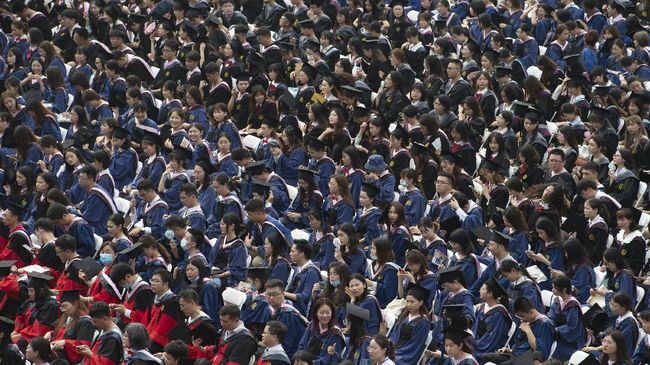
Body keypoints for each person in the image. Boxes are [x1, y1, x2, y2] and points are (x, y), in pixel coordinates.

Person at [188, 304, 257, 364]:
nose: (221, 324)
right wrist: (202, 348)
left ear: (236, 320)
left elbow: (235, 363)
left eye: (225, 321)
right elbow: (217, 349)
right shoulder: (224, 331)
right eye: (220, 320)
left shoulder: (245, 340)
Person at [265, 279, 307, 358]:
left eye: (275, 294)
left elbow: (286, 345)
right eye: (268, 294)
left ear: (283, 294)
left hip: (293, 356)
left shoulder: (288, 314)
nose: (271, 297)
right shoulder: (272, 309)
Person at [297, 298, 345, 363]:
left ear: (332, 313)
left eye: (328, 312)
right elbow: (302, 346)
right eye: (321, 312)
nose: (325, 315)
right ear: (316, 313)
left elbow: (328, 359)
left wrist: (310, 363)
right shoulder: (312, 325)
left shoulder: (335, 333)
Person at [77, 301, 123, 365]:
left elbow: (106, 363)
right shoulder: (103, 330)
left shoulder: (113, 338)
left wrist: (90, 354)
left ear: (105, 318)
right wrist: (89, 349)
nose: (93, 324)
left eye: (95, 321)